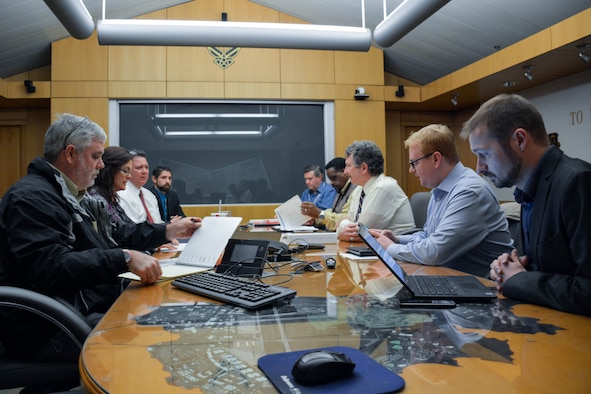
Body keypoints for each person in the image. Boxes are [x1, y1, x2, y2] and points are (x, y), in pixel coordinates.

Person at [0, 113, 201, 364]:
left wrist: (168, 230)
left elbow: (114, 235)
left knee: (165, 320)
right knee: (151, 345)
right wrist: (124, 258)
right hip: (49, 326)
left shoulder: (68, 195)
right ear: (71, 154)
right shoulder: (33, 198)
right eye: (95, 156)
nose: (101, 165)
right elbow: (51, 267)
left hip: (77, 308)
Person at [461, 93, 591, 316]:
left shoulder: (577, 183)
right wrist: (511, 267)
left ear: (519, 140)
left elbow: (587, 290)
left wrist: (520, 280)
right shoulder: (528, 190)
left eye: (484, 154)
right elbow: (549, 267)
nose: (479, 168)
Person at [369, 124, 513, 277]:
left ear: (436, 159)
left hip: (485, 288)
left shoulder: (469, 191)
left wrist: (389, 247)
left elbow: (434, 252)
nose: (411, 170)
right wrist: (397, 240)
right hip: (454, 280)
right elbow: (428, 236)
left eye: (414, 163)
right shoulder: (441, 189)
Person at [337, 140, 415, 242]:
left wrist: (341, 228)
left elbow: (361, 232)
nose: (345, 172)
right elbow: (349, 223)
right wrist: (343, 227)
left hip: (396, 252)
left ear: (364, 168)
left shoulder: (383, 187)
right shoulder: (359, 189)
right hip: (371, 249)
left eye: (348, 166)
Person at [301, 158, 357, 231]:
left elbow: (346, 219)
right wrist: (315, 219)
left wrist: (319, 213)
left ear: (345, 172)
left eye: (334, 178)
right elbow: (332, 212)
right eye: (330, 179)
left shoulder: (355, 190)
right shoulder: (340, 190)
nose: (332, 183)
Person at [118, 149, 163, 224]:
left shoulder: (150, 195)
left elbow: (158, 223)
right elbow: (133, 229)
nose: (144, 171)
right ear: (128, 170)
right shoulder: (122, 195)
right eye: (139, 168)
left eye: (146, 167)